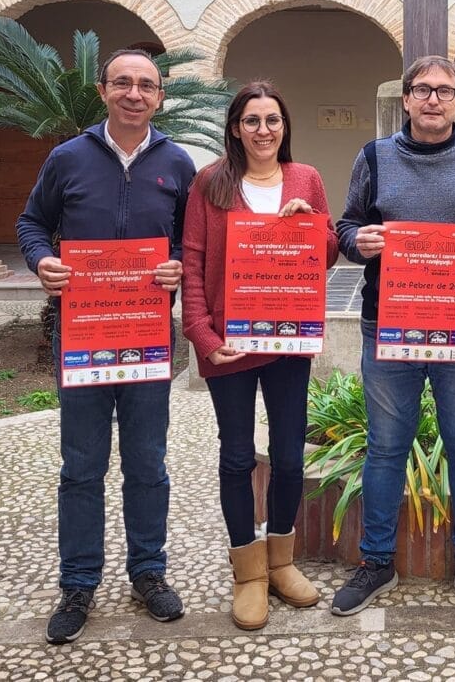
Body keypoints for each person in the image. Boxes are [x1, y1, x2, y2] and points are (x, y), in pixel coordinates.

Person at [18, 48, 195, 645]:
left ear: (160, 96)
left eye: (146, 85)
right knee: (82, 465)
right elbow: (31, 223)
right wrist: (42, 259)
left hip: (147, 335)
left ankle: (149, 572)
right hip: (84, 334)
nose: (134, 94)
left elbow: (189, 240)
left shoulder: (177, 162)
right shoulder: (67, 158)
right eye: (123, 82)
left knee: (148, 463)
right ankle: (78, 582)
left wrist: (175, 266)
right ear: (103, 91)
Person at [331, 55, 455, 620]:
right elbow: (344, 226)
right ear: (407, 99)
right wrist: (356, 240)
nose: (432, 99)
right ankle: (376, 561)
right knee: (386, 447)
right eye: (422, 90)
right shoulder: (374, 157)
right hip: (388, 328)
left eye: (444, 90)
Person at [181, 81, 339, 630]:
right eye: (253, 120)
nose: (264, 130)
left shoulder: (307, 179)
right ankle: (247, 571)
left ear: (285, 127)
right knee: (237, 457)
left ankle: (281, 560)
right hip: (232, 344)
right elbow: (195, 263)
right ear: (235, 128)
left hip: (289, 341)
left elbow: (327, 254)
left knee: (290, 455)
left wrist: (309, 228)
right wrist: (201, 334)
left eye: (273, 120)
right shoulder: (211, 183)